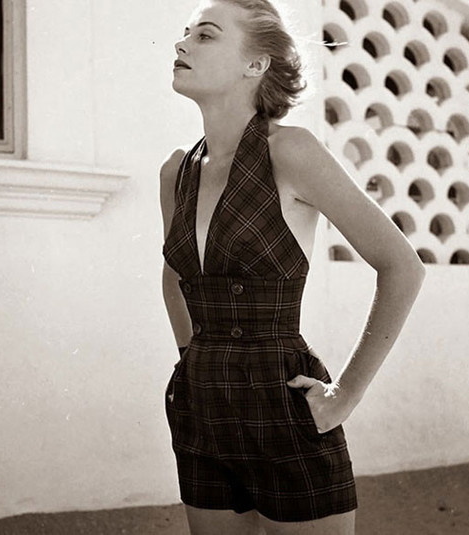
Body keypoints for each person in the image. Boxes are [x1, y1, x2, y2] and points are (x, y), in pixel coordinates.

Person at [160, 0, 426, 533]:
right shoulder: (176, 170)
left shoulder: (290, 150)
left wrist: (344, 395)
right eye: (186, 33)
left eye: (205, 35)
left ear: (255, 64)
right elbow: (176, 278)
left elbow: (402, 266)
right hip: (200, 405)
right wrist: (193, 364)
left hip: (284, 404)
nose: (181, 44)